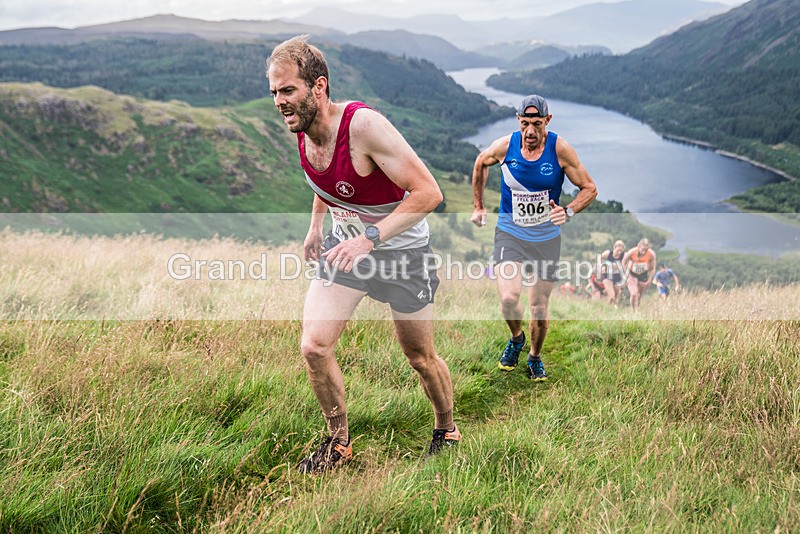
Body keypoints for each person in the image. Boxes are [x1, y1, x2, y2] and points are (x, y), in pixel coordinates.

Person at [266, 36, 460, 473]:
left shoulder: (362, 126)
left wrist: (370, 237)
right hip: (347, 252)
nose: (280, 102)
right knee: (314, 346)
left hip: (403, 254)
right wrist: (316, 227)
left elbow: (429, 193)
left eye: (288, 90)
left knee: (419, 358)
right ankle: (338, 445)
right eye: (275, 92)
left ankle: (446, 428)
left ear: (319, 87)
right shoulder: (302, 130)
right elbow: (328, 183)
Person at [471, 94, 598, 382]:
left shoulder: (560, 149)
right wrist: (478, 206)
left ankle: (535, 357)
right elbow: (481, 162)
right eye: (525, 123)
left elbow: (589, 188)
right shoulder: (506, 145)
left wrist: (568, 211)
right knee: (508, 298)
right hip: (510, 232)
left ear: (547, 121)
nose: (530, 131)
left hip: (546, 238)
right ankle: (516, 339)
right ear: (519, 121)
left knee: (539, 308)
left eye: (537, 124)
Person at [622, 238, 657, 310]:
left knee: (639, 295)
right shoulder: (632, 251)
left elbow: (653, 268)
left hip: (643, 274)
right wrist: (627, 275)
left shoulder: (651, 254)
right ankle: (633, 310)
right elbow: (623, 262)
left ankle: (637, 309)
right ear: (639, 246)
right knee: (633, 294)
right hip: (632, 274)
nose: (644, 252)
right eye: (642, 249)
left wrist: (649, 280)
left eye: (646, 250)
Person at [600, 240, 626, 306]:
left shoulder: (624, 255)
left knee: (616, 297)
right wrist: (601, 266)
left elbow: (626, 265)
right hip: (607, 275)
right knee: (612, 295)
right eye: (618, 250)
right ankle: (609, 310)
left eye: (621, 251)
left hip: (618, 277)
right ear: (614, 248)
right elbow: (599, 258)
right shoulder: (608, 253)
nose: (619, 253)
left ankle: (607, 309)